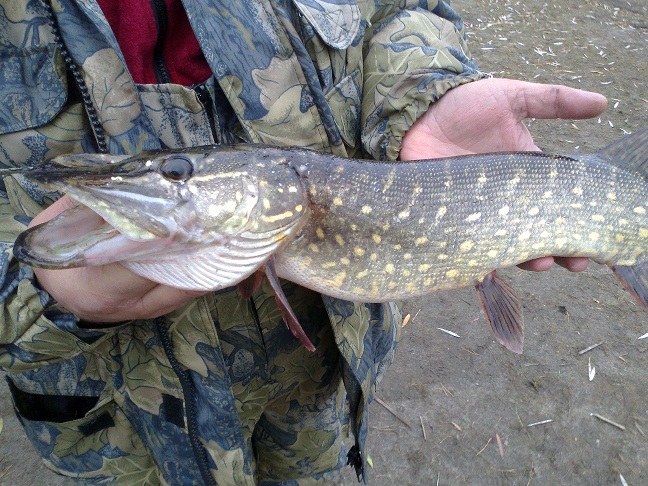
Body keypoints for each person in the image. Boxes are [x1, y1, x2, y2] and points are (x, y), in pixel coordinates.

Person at [0, 0, 605, 484]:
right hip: (118, 424)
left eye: (177, 175)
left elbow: (402, 9)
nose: (171, 182)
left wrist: (427, 90)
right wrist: (35, 297)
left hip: (321, 383)